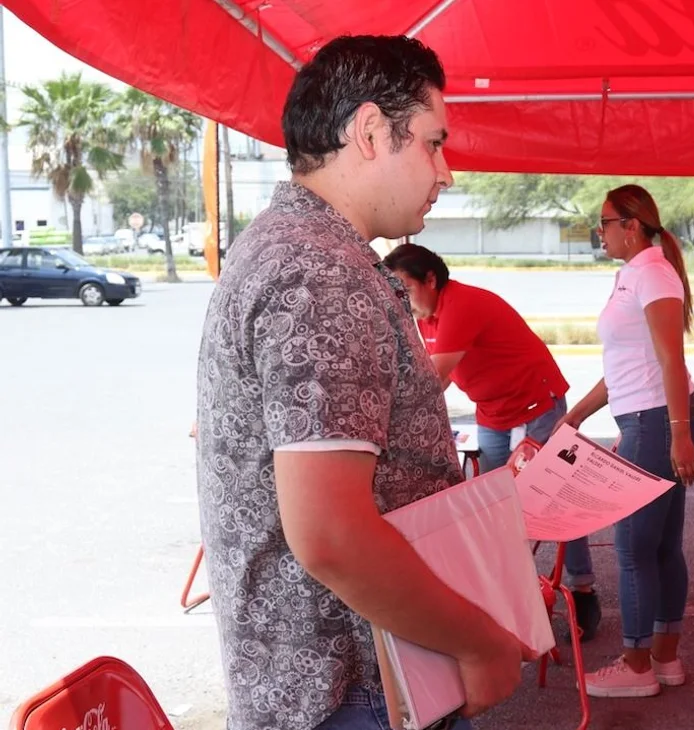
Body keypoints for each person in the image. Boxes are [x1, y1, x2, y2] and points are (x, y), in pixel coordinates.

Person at [195, 36, 531, 730]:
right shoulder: (320, 273)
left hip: (338, 682)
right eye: (434, 144)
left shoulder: (298, 248)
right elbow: (331, 535)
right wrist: (480, 641)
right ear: (372, 132)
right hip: (348, 689)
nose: (446, 173)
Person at [381, 243, 602, 641]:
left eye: (405, 289)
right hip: (493, 411)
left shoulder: (461, 304)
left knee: (552, 496)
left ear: (431, 280)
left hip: (538, 404)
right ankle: (512, 591)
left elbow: (434, 380)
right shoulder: (422, 316)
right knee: (494, 503)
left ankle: (582, 589)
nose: (402, 300)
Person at [556, 184, 694, 698]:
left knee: (633, 547)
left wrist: (680, 436)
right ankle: (663, 660)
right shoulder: (634, 275)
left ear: (632, 226)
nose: (598, 231)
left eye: (604, 222)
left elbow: (671, 359)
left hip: (660, 422)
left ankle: (637, 664)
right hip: (653, 420)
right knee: (660, 545)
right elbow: (621, 370)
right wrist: (573, 417)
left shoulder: (654, 273)